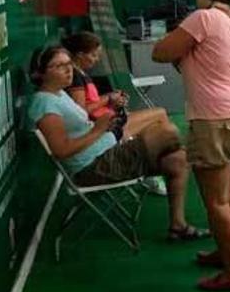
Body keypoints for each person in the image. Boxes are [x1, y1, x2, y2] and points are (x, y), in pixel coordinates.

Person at [152, 0, 230, 292]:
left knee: (215, 201)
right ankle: (224, 252)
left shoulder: (203, 18)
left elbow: (160, 52)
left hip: (218, 120)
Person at [28, 46, 206, 241]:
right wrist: (98, 130)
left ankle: (177, 226)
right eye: (59, 65)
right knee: (167, 132)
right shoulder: (44, 103)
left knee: (177, 159)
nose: (68, 69)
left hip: (104, 149)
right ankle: (205, 160)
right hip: (94, 167)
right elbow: (61, 150)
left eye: (69, 64)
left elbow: (81, 128)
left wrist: (103, 121)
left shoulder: (58, 94)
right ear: (41, 73)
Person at [61, 31, 173, 196]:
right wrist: (107, 99)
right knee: (160, 114)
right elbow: (81, 111)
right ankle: (159, 170)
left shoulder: (81, 74)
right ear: (79, 55)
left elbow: (91, 104)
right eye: (93, 55)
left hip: (106, 123)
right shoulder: (75, 78)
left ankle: (154, 169)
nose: (96, 59)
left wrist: (113, 101)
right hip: (104, 129)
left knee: (152, 126)